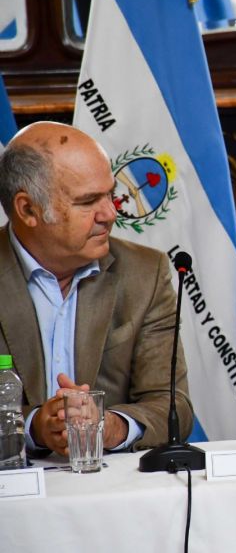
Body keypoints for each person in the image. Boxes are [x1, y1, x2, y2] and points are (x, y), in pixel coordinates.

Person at [0, 121, 192, 456]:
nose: (111, 213)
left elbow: (172, 406)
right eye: (88, 201)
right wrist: (34, 426)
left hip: (107, 479)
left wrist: (109, 426)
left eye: (110, 194)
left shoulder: (145, 274)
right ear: (28, 209)